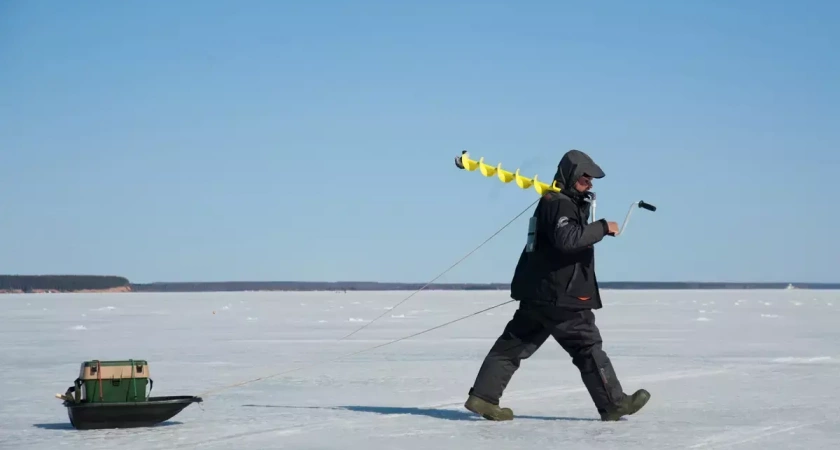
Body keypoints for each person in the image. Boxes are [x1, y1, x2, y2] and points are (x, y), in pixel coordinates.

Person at [464, 149, 650, 422]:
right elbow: (567, 239)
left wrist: (590, 226)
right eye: (585, 180)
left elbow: (566, 238)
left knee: (512, 346)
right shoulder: (559, 203)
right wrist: (601, 227)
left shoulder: (555, 200)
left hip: (540, 293)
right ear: (571, 175)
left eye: (591, 182)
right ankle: (613, 404)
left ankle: (482, 397)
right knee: (587, 347)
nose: (589, 185)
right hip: (563, 295)